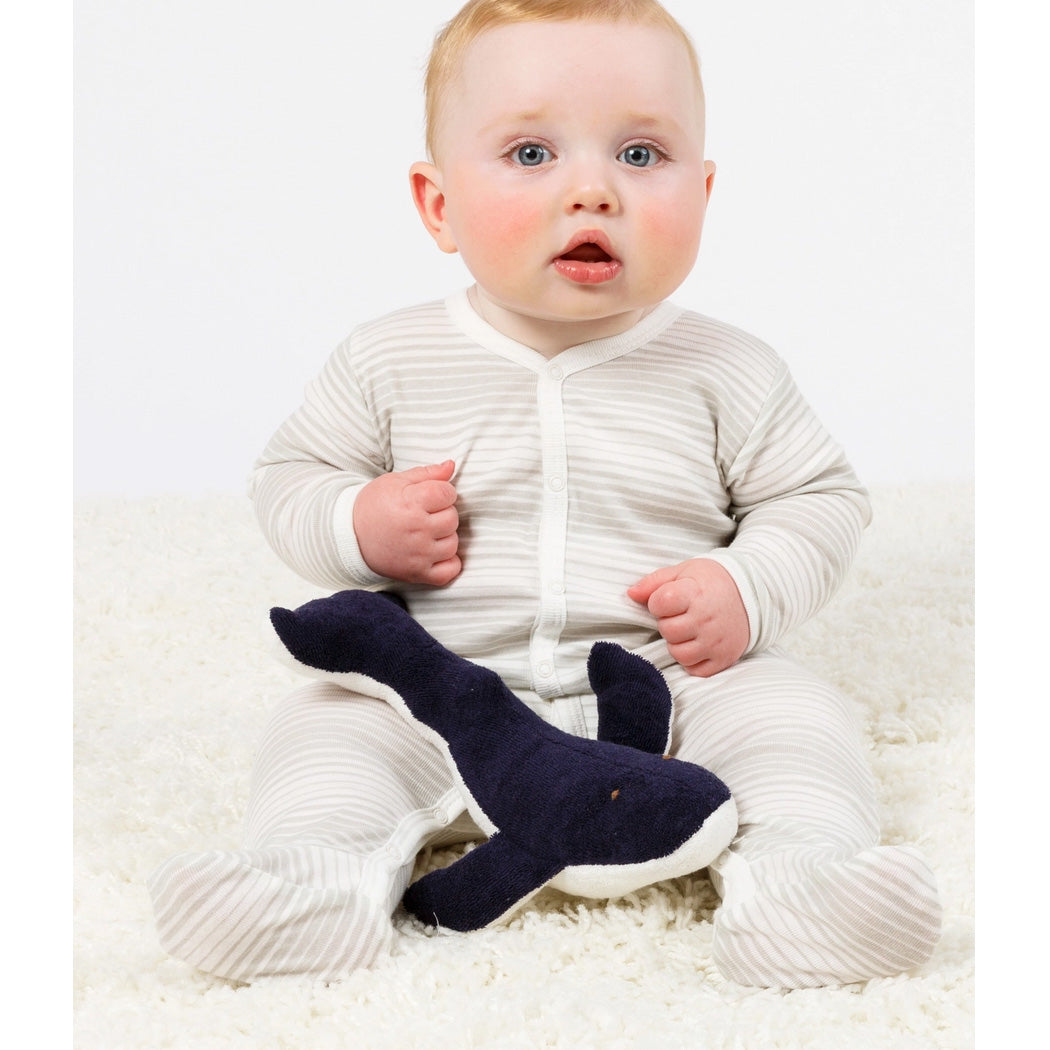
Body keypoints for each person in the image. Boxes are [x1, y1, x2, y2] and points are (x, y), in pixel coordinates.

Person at [149, 0, 941, 988]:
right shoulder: (388, 359)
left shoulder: (727, 368)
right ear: (437, 205)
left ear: (704, 190)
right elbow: (289, 480)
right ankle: (304, 888)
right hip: (436, 688)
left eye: (641, 155)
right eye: (530, 153)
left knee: (794, 718)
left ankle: (810, 890)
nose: (593, 191)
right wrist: (359, 524)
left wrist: (746, 586)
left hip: (672, 678)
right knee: (326, 734)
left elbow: (818, 498)